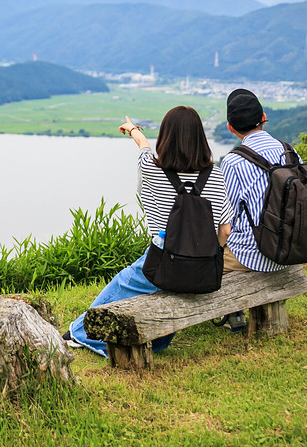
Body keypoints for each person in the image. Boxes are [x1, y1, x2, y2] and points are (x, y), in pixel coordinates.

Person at [64, 105, 233, 357]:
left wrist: (132, 129)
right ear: (200, 138)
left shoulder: (151, 169)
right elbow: (226, 230)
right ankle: (149, 339)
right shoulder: (216, 175)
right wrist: (211, 255)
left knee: (122, 284)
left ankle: (79, 333)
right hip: (203, 265)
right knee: (160, 289)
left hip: (164, 259)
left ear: (165, 137)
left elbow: (144, 148)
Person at [220, 88, 294, 272]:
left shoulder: (232, 162)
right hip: (291, 248)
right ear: (263, 117)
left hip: (251, 255)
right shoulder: (289, 152)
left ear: (230, 127)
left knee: (200, 269)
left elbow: (227, 220)